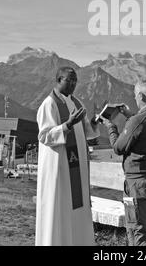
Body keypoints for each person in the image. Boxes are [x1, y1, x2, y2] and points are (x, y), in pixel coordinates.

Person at [102, 79, 146, 246]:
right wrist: (130, 116)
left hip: (138, 182)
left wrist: (110, 126)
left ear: (140, 95)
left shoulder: (136, 121)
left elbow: (118, 147)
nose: (135, 99)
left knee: (137, 229)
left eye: (135, 95)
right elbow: (144, 127)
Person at [35, 66, 100, 246]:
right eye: (68, 80)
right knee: (60, 209)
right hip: (59, 170)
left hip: (75, 169)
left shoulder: (76, 102)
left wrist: (95, 122)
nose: (72, 84)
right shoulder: (49, 104)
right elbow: (44, 136)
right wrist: (67, 125)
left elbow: (87, 133)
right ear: (58, 80)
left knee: (75, 210)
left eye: (75, 81)